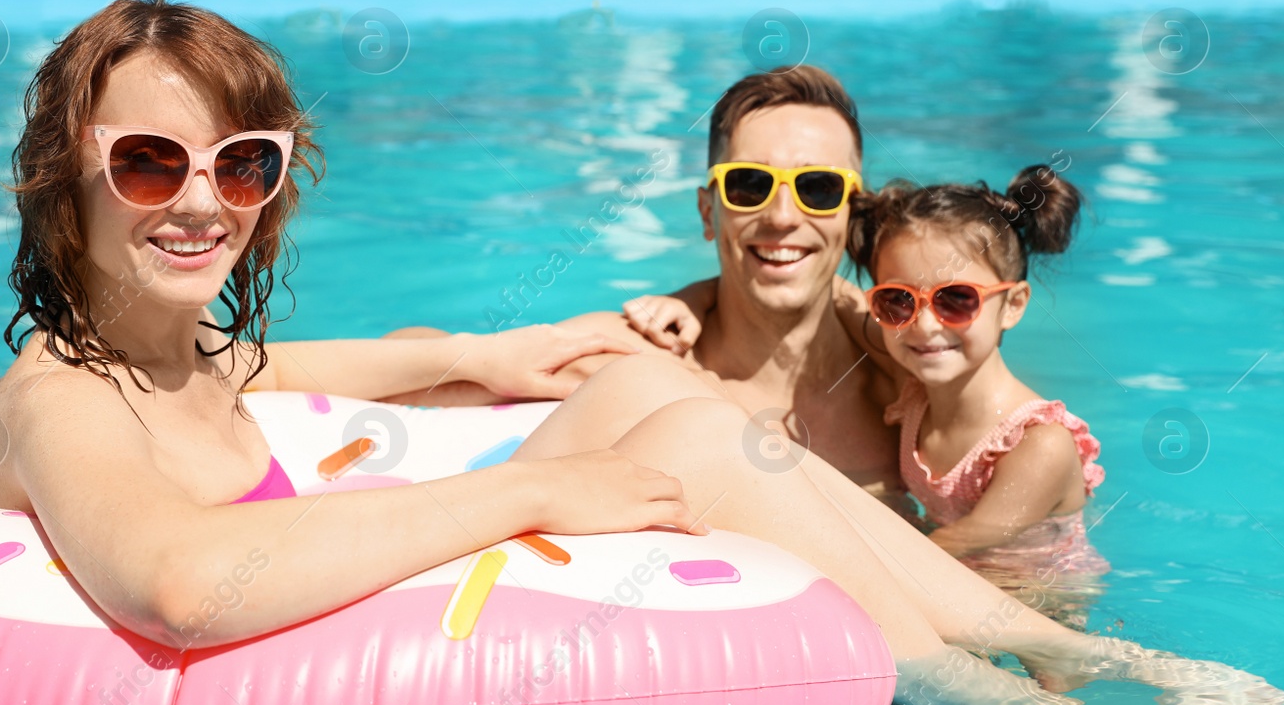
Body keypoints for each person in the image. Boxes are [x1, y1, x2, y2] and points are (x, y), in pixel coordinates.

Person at [0, 0, 1284, 705]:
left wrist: (470, 355)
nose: (205, 199)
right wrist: (547, 485)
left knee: (681, 410)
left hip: (407, 595)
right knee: (693, 440)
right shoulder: (60, 397)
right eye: (151, 163)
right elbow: (186, 585)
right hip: (344, 670)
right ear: (62, 174)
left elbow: (302, 362)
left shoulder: (176, 352)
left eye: (245, 165)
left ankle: (1071, 648)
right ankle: (1020, 703)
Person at [389, 66, 909, 503]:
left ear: (852, 212)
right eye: (748, 184)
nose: (781, 216)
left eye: (818, 188)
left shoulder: (906, 379)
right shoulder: (640, 359)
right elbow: (413, 364)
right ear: (709, 212)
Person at [846, 166, 1111, 623]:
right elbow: (826, 298)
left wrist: (849, 565)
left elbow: (967, 538)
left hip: (1046, 603)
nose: (924, 325)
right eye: (897, 301)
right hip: (965, 586)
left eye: (955, 299)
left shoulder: (1038, 442)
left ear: (1013, 305)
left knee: (1051, 693)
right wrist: (695, 300)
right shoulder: (916, 395)